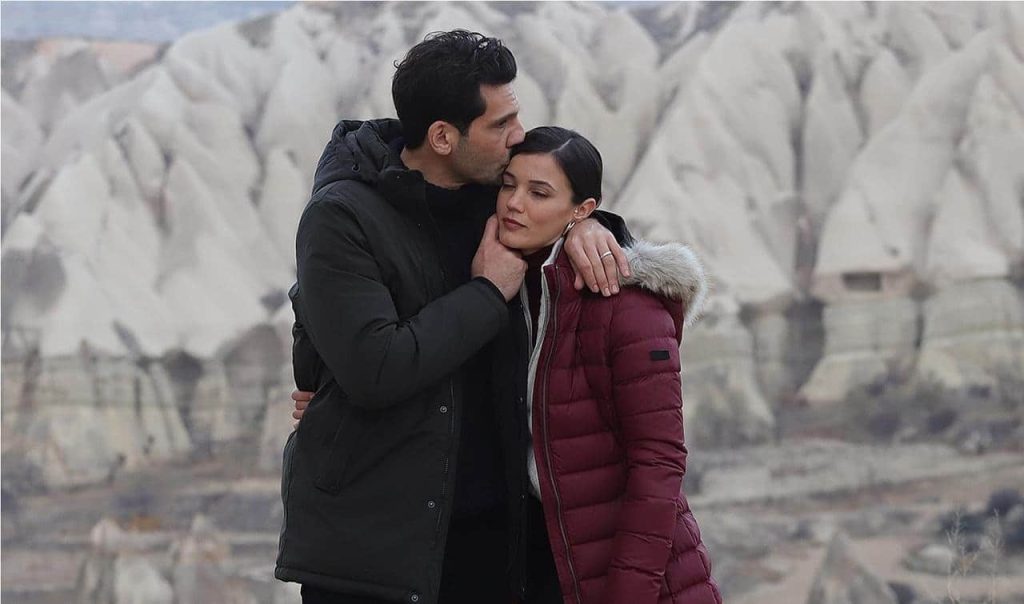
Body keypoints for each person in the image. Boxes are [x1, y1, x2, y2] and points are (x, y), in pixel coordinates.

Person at [275, 31, 634, 604]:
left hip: (505, 543)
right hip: (378, 554)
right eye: (500, 124)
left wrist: (588, 227)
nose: (518, 135)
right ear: (443, 136)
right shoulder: (343, 217)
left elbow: (570, 220)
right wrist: (488, 292)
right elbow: (375, 369)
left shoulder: (498, 197)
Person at [489, 126, 721, 604]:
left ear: (583, 210)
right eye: (508, 185)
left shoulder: (629, 307)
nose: (514, 203)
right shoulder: (507, 288)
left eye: (539, 193)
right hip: (545, 566)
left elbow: (659, 463)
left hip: (639, 581)